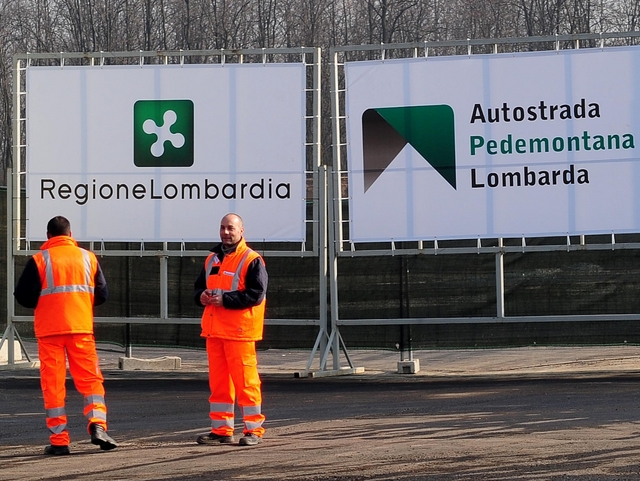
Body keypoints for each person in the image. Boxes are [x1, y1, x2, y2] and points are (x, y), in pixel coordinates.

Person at [13, 215, 117, 455]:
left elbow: (24, 296)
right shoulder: (87, 258)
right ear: (70, 235)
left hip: (50, 332)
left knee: (53, 385)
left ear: (48, 236)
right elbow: (101, 294)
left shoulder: (40, 260)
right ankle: (98, 425)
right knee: (91, 380)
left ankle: (60, 441)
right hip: (80, 329)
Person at [194, 213, 268, 447]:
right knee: (219, 385)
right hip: (215, 332)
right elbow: (198, 289)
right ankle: (221, 430)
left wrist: (224, 300)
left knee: (246, 382)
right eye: (223, 228)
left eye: (231, 228)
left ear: (241, 231)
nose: (226, 232)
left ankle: (253, 430)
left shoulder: (251, 259)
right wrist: (202, 296)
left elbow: (256, 295)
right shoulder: (212, 260)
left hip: (239, 332)